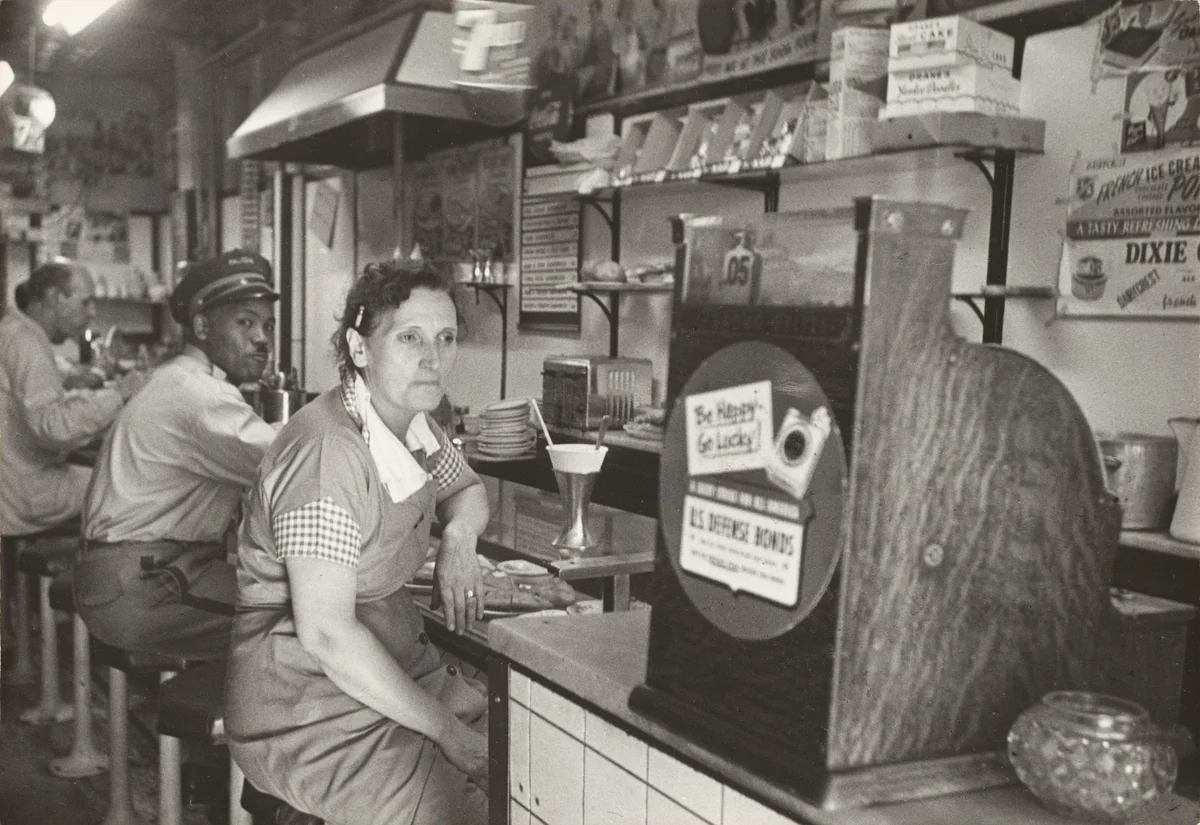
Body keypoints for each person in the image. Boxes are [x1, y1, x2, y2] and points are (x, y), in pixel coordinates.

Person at [226, 259, 491, 825]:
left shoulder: (411, 423)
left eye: (446, 338)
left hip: (386, 677)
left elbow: (467, 489)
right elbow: (325, 633)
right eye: (410, 338)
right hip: (306, 712)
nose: (433, 358)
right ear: (361, 347)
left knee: (529, 760)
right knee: (464, 810)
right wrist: (449, 734)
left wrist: (460, 539)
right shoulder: (329, 454)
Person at [74, 249, 279, 661]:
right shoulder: (200, 396)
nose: (262, 338)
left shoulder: (176, 379)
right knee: (307, 620)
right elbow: (295, 460)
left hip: (133, 575)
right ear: (202, 326)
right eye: (245, 323)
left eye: (268, 326)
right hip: (146, 585)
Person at [0, 260, 146, 535]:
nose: (92, 313)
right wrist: (119, 396)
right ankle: (105, 574)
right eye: (85, 302)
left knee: (110, 476)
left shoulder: (15, 332)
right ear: (55, 298)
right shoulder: (25, 343)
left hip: (17, 479)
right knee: (131, 487)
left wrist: (102, 397)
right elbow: (53, 427)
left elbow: (47, 404)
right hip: (25, 491)